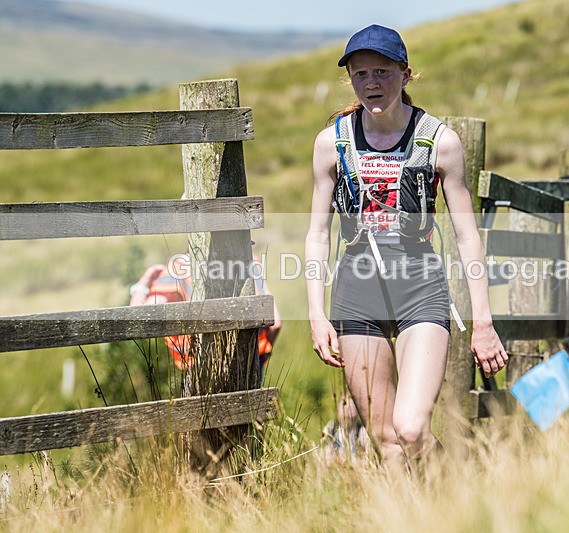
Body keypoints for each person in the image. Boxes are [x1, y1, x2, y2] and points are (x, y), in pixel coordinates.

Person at [305, 24, 507, 467]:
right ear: (350, 79)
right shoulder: (331, 144)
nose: (371, 84)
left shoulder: (439, 142)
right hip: (355, 295)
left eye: (382, 71)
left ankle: (451, 485)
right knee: (385, 439)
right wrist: (317, 315)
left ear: (406, 74)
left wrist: (483, 323)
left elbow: (467, 235)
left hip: (420, 290)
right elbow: (318, 234)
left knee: (411, 427)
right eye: (360, 74)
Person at [130, 254, 281, 376]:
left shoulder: (179, 268)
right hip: (249, 361)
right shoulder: (248, 259)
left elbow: (138, 320)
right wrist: (260, 358)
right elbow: (276, 323)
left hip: (200, 369)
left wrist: (143, 284)